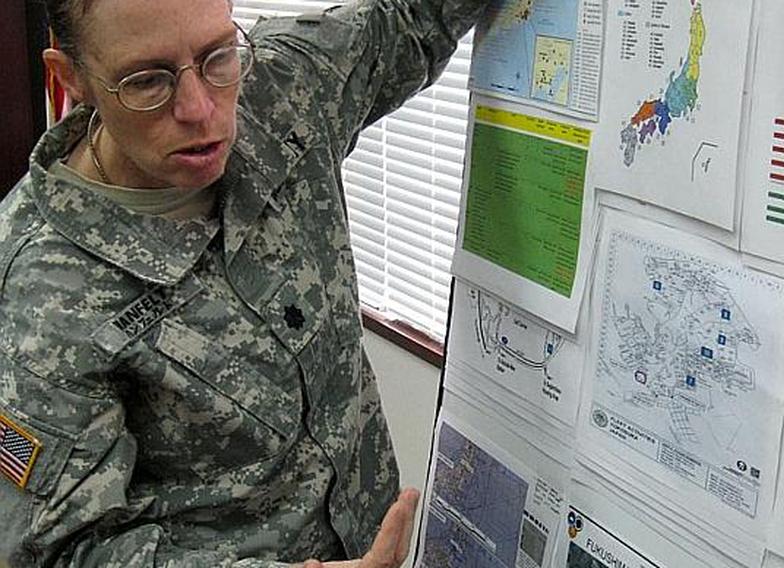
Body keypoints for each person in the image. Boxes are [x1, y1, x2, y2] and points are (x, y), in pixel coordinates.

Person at [0, 0, 488, 565]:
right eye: (146, 81)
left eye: (218, 56)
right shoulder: (36, 292)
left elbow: (409, 18)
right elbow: (63, 551)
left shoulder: (277, 90)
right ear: (73, 78)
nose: (199, 107)